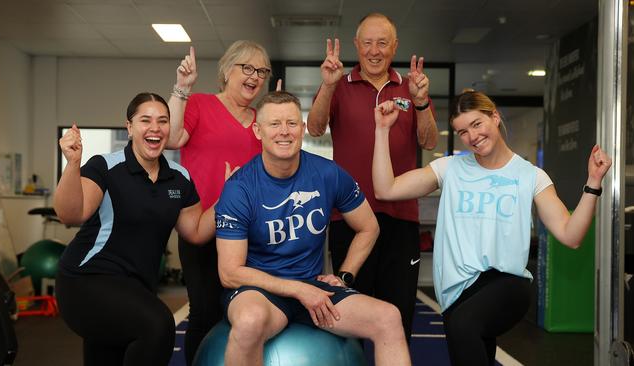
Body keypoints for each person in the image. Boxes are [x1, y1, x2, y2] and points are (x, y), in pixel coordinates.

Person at [371, 90, 612, 366]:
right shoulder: (449, 169)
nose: (472, 136)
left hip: (506, 282)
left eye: (476, 124)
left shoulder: (530, 175)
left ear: (494, 117)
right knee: (469, 347)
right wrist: (381, 130)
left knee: (464, 325)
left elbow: (571, 236)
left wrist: (593, 183)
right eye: (463, 131)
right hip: (455, 291)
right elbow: (385, 188)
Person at [214, 91, 411, 366]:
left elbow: (369, 227)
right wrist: (297, 289)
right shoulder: (239, 188)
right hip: (260, 293)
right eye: (274, 124)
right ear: (258, 131)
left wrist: (344, 275)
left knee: (388, 317)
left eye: (292, 123)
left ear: (303, 128)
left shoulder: (328, 173)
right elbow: (229, 273)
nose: (285, 132)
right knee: (249, 322)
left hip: (315, 288)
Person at [54, 92, 215, 366]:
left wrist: (231, 195)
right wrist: (72, 165)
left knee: (110, 356)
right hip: (86, 281)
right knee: (158, 326)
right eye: (145, 120)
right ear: (129, 127)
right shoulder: (105, 167)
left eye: (163, 121)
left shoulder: (179, 178)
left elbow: (197, 231)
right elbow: (70, 213)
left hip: (135, 287)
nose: (155, 128)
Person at [306, 12, 439, 340]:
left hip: (401, 216)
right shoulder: (339, 86)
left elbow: (430, 141)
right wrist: (327, 85)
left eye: (382, 43)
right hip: (348, 217)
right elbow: (314, 127)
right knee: (347, 316)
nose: (374, 50)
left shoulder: (411, 88)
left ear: (394, 47)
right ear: (356, 45)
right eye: (367, 43)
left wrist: (421, 104)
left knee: (398, 314)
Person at [167, 41, 276, 364]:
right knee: (205, 311)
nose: (255, 76)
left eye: (262, 71)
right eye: (248, 68)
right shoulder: (200, 104)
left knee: (245, 314)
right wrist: (181, 89)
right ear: (227, 70)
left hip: (249, 235)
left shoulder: (261, 121)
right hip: (202, 224)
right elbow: (172, 139)